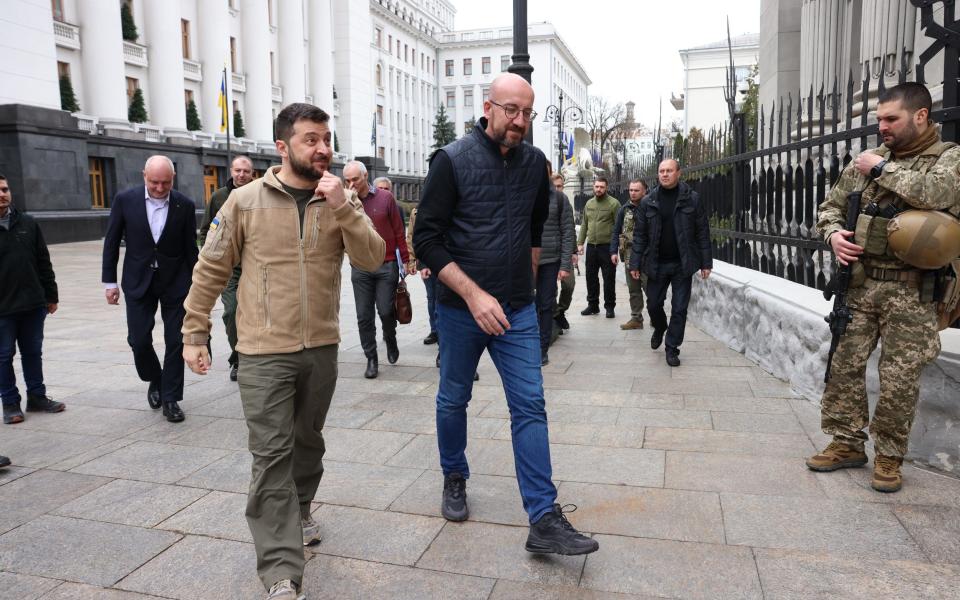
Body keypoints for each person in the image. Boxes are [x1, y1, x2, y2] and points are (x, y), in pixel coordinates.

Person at [181, 102, 384, 600]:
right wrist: (194, 331)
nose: (322, 148)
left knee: (307, 442)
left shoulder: (337, 200)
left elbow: (372, 257)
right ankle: (280, 571)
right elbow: (210, 268)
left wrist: (343, 207)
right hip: (262, 352)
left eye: (326, 138)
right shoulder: (244, 202)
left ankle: (303, 504)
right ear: (282, 146)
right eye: (310, 139)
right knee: (271, 455)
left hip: (320, 350)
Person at [414, 73, 598, 556]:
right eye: (511, 110)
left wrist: (529, 274)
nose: (519, 121)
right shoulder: (450, 161)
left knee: (530, 406)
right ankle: (454, 475)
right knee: (454, 400)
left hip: (515, 311)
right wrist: (474, 295)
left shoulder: (536, 163)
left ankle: (543, 517)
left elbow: (537, 223)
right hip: (460, 310)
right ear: (489, 107)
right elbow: (426, 241)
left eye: (527, 113)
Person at [806, 82, 960, 493]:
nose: (883, 126)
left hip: (912, 290)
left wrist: (881, 169)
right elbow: (829, 207)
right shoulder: (869, 162)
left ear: (921, 116)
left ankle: (890, 457)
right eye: (880, 119)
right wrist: (834, 234)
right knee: (844, 365)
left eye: (891, 118)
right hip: (860, 283)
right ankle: (846, 442)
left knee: (899, 377)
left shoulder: (947, 159)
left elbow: (936, 193)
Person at [102, 156, 197, 423]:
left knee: (176, 340)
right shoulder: (125, 200)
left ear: (173, 179)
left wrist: (199, 286)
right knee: (139, 340)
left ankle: (171, 398)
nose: (159, 187)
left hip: (175, 282)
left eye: (165, 182)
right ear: (144, 176)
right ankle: (155, 378)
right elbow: (111, 242)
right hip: (137, 279)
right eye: (154, 182)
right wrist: (109, 282)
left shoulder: (184, 205)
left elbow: (191, 248)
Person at [629, 159, 712, 368]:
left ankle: (672, 347)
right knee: (654, 304)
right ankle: (659, 327)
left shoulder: (691, 199)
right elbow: (639, 236)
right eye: (661, 171)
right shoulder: (649, 201)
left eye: (669, 171)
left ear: (678, 173)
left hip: (682, 265)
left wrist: (705, 262)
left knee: (679, 308)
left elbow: (702, 232)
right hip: (656, 264)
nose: (665, 174)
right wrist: (635, 264)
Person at [0, 174, 64, 425]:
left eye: (5, 188)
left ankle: (36, 397)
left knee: (32, 353)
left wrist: (51, 295)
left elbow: (43, 261)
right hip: (2, 309)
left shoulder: (28, 223)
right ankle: (10, 402)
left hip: (32, 304)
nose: (2, 194)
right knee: (3, 356)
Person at [343, 161, 412, 379]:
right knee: (364, 315)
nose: (351, 183)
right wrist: (347, 202)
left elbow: (399, 231)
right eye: (347, 180)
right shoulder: (345, 200)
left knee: (385, 310)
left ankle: (390, 338)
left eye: (355, 179)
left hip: (387, 263)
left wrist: (407, 260)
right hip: (360, 265)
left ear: (366, 176)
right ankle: (371, 358)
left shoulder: (385, 198)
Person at [199, 155, 255, 382]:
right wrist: (209, 257)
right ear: (231, 171)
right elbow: (205, 232)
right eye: (238, 170)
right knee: (231, 313)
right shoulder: (219, 197)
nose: (241, 175)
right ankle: (238, 359)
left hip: (256, 267)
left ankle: (254, 357)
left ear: (253, 174)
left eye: (246, 171)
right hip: (230, 271)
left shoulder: (261, 195)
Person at [535, 165, 575, 365]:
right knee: (525, 304)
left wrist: (565, 264)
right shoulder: (521, 194)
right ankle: (528, 344)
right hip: (525, 261)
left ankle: (542, 348)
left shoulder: (560, 199)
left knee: (545, 304)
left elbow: (568, 232)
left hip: (550, 261)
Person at [577, 176, 620, 318]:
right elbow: (584, 224)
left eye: (602, 187)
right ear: (593, 187)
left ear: (606, 187)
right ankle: (593, 305)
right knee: (591, 277)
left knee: (608, 278)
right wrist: (580, 243)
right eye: (597, 187)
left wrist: (616, 248)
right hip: (591, 247)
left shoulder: (614, 204)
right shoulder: (589, 203)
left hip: (607, 247)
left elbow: (618, 227)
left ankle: (609, 307)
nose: (599, 189)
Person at [611, 179, 648, 330]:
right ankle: (636, 318)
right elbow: (616, 231)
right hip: (629, 255)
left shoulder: (651, 207)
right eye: (631, 190)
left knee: (650, 288)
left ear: (644, 191)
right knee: (634, 289)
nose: (632, 193)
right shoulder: (624, 209)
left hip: (646, 256)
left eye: (636, 190)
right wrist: (613, 251)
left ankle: (656, 316)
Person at [405, 206, 438, 345]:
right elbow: (412, 237)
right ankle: (435, 330)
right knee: (432, 298)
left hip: (449, 262)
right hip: (426, 262)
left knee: (445, 299)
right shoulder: (416, 211)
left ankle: (446, 332)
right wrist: (412, 261)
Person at [552, 174, 578, 332]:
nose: (557, 189)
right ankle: (554, 315)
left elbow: (570, 229)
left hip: (565, 251)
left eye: (560, 186)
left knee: (569, 285)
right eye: (554, 186)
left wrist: (574, 250)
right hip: (548, 253)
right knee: (550, 289)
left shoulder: (564, 202)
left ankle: (561, 310)